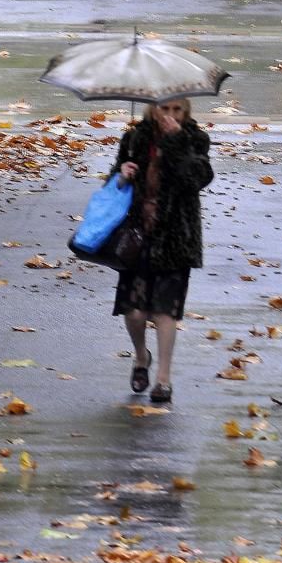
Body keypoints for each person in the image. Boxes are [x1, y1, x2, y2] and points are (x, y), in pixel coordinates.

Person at [108, 98, 213, 403]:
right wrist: (121, 175)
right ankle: (141, 356)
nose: (170, 115)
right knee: (135, 311)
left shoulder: (195, 137)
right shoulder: (135, 137)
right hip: (137, 234)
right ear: (153, 109)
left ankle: (163, 380)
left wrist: (177, 141)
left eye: (177, 109)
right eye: (164, 109)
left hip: (176, 235)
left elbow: (199, 178)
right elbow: (113, 178)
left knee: (166, 310)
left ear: (186, 112)